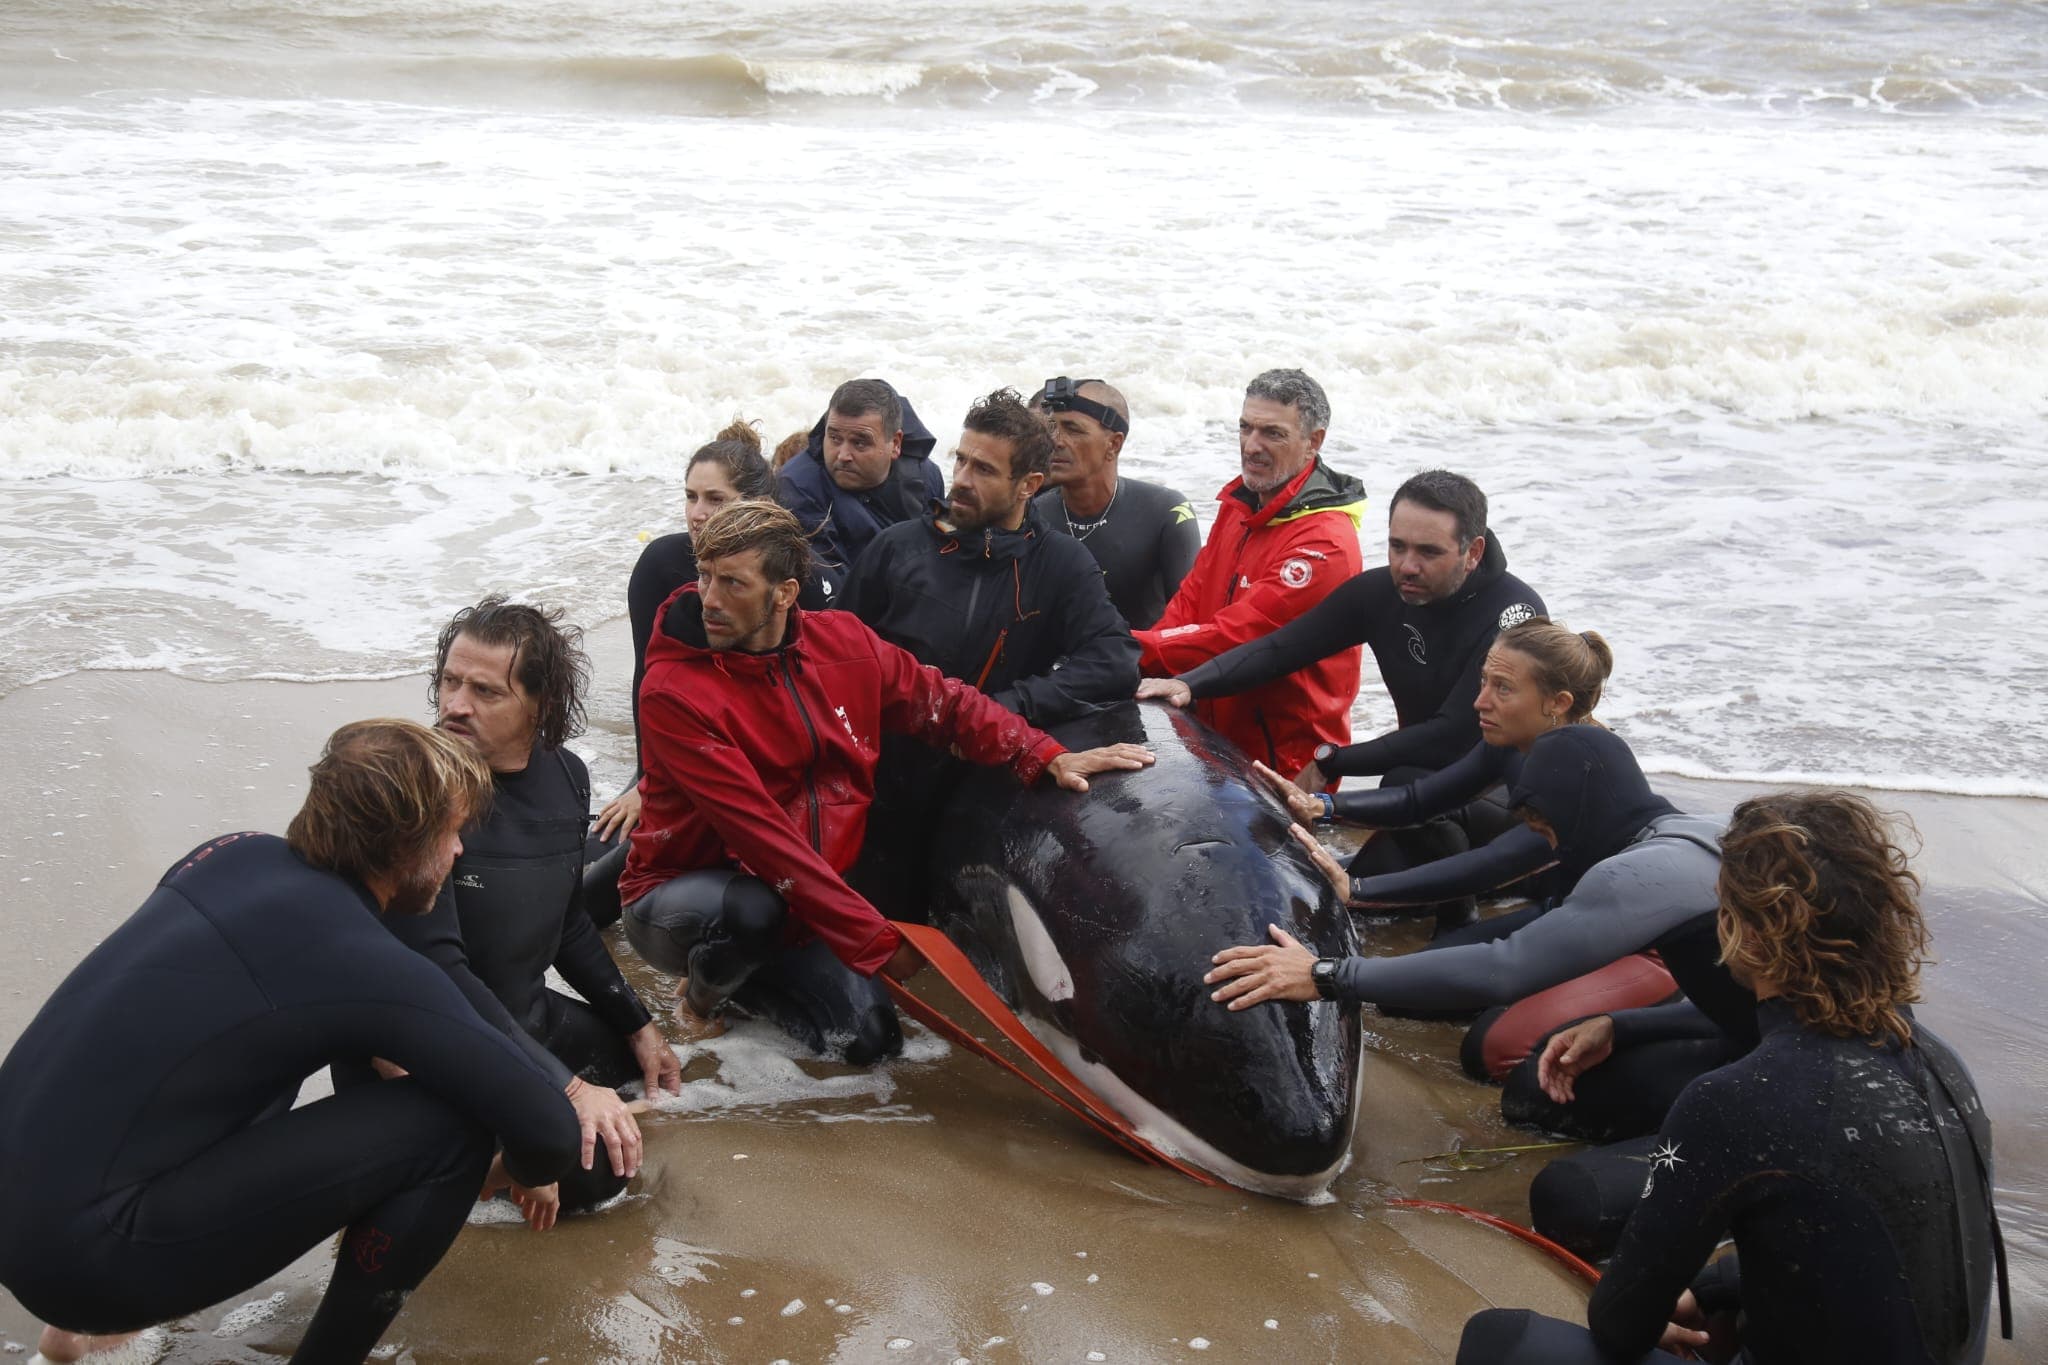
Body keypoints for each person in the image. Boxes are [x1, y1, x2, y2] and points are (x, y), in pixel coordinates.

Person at [0, 720, 580, 1365]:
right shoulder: (361, 960)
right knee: (451, 1130)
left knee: (248, 1040)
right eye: (451, 833)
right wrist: (512, 1171)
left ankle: (74, 1337)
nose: (458, 854)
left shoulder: (229, 854)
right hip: (88, 1266)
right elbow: (549, 1127)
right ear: (406, 842)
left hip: (21, 1207)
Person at [1457, 791, 2008, 1365]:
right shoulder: (1941, 1063)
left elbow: (1621, 1323)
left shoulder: (1735, 1098)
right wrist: (1717, 1286)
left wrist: (1672, 1299)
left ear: (1744, 930)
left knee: (1498, 1341)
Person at [621, 501, 1154, 1063]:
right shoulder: (673, 692)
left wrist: (1040, 753)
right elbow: (762, 836)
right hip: (685, 898)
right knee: (752, 914)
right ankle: (700, 1000)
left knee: (870, 1045)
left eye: (732, 583)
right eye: (703, 577)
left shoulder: (843, 643)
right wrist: (873, 940)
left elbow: (941, 702)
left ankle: (747, 975)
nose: (709, 599)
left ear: (784, 593)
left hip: (804, 900)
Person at [1206, 724, 1753, 1148]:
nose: (1552, 848)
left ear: (1579, 810)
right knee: (1550, 1064)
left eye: (1545, 829)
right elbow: (1747, 1006)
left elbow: (1506, 967)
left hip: (1800, 1070)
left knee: (1545, 1130)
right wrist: (1620, 1024)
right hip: (1762, 1033)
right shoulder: (1703, 829)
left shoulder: (1639, 871)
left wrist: (1325, 975)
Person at [356, 597, 682, 1217]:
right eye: (450, 682)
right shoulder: (416, 792)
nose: (455, 705)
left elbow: (566, 923)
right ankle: (469, 1165)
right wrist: (568, 1088)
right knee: (598, 1171)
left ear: (542, 705)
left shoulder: (566, 776)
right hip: (431, 1044)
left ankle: (502, 1148)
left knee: (637, 1089)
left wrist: (638, 1025)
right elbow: (441, 975)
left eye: (484, 691)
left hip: (521, 1016)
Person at [1257, 620, 1682, 1074]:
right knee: (1409, 996)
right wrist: (1323, 805)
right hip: (1566, 906)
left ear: (1558, 704)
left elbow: (1494, 865)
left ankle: (1662, 1011)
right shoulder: (1508, 740)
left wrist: (1358, 888)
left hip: (1632, 931)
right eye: (1483, 681)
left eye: (1503, 688)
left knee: (1489, 1049)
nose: (1480, 701)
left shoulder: (1580, 771)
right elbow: (1424, 798)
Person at [1140, 470, 1543, 885]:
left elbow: (1453, 734)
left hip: (1515, 802)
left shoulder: (1513, 617)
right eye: (1396, 546)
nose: (1407, 566)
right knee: (1351, 892)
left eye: (1428, 552)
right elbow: (1284, 647)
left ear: (1472, 552)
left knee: (1403, 790)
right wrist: (1191, 682)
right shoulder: (1382, 594)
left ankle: (1462, 916)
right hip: (1428, 792)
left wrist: (1332, 760)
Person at [595, 420, 831, 847]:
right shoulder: (662, 563)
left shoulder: (798, 576)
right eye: (690, 497)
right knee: (614, 845)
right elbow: (647, 681)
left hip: (770, 742)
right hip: (688, 732)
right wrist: (646, 781)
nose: (698, 513)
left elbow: (808, 689)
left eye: (715, 499)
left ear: (757, 504)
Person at [846, 386, 1139, 725]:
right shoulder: (897, 548)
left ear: (1029, 485)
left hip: (997, 751)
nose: (962, 480)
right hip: (898, 748)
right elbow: (834, 651)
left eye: (984, 470)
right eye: (961, 460)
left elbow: (1116, 662)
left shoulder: (1061, 562)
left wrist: (1010, 705)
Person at [1131, 368, 1367, 776]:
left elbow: (1238, 636)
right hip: (1212, 734)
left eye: (1272, 433)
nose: (1251, 446)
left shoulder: (1324, 543)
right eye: (1245, 428)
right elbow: (1191, 599)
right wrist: (1143, 659)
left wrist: (1128, 649)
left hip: (1286, 760)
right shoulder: (1241, 503)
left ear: (1314, 442)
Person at [1029, 375, 1199, 629]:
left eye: (1073, 430)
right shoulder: (1033, 515)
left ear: (1114, 444)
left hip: (1143, 662)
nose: (1056, 441)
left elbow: (1190, 623)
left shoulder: (1167, 512)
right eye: (1052, 428)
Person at [775, 377, 944, 599]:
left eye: (860, 442)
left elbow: (944, 558)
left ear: (896, 444)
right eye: (834, 438)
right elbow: (835, 594)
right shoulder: (797, 487)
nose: (843, 455)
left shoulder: (925, 476)